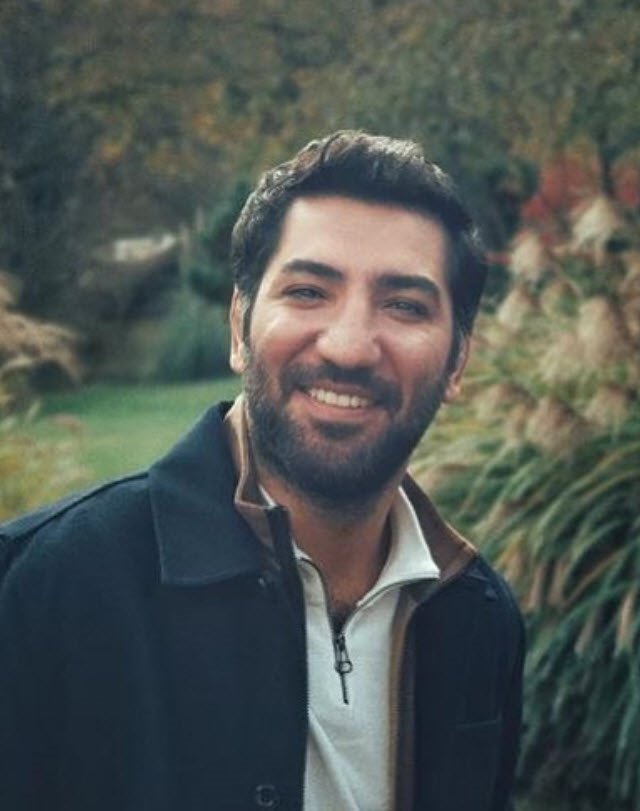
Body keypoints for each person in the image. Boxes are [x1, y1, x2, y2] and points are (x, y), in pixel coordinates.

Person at [0, 131, 525, 811]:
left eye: (404, 305)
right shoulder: (43, 587)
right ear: (238, 327)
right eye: (308, 291)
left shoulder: (479, 616)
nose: (348, 347)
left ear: (456, 362)